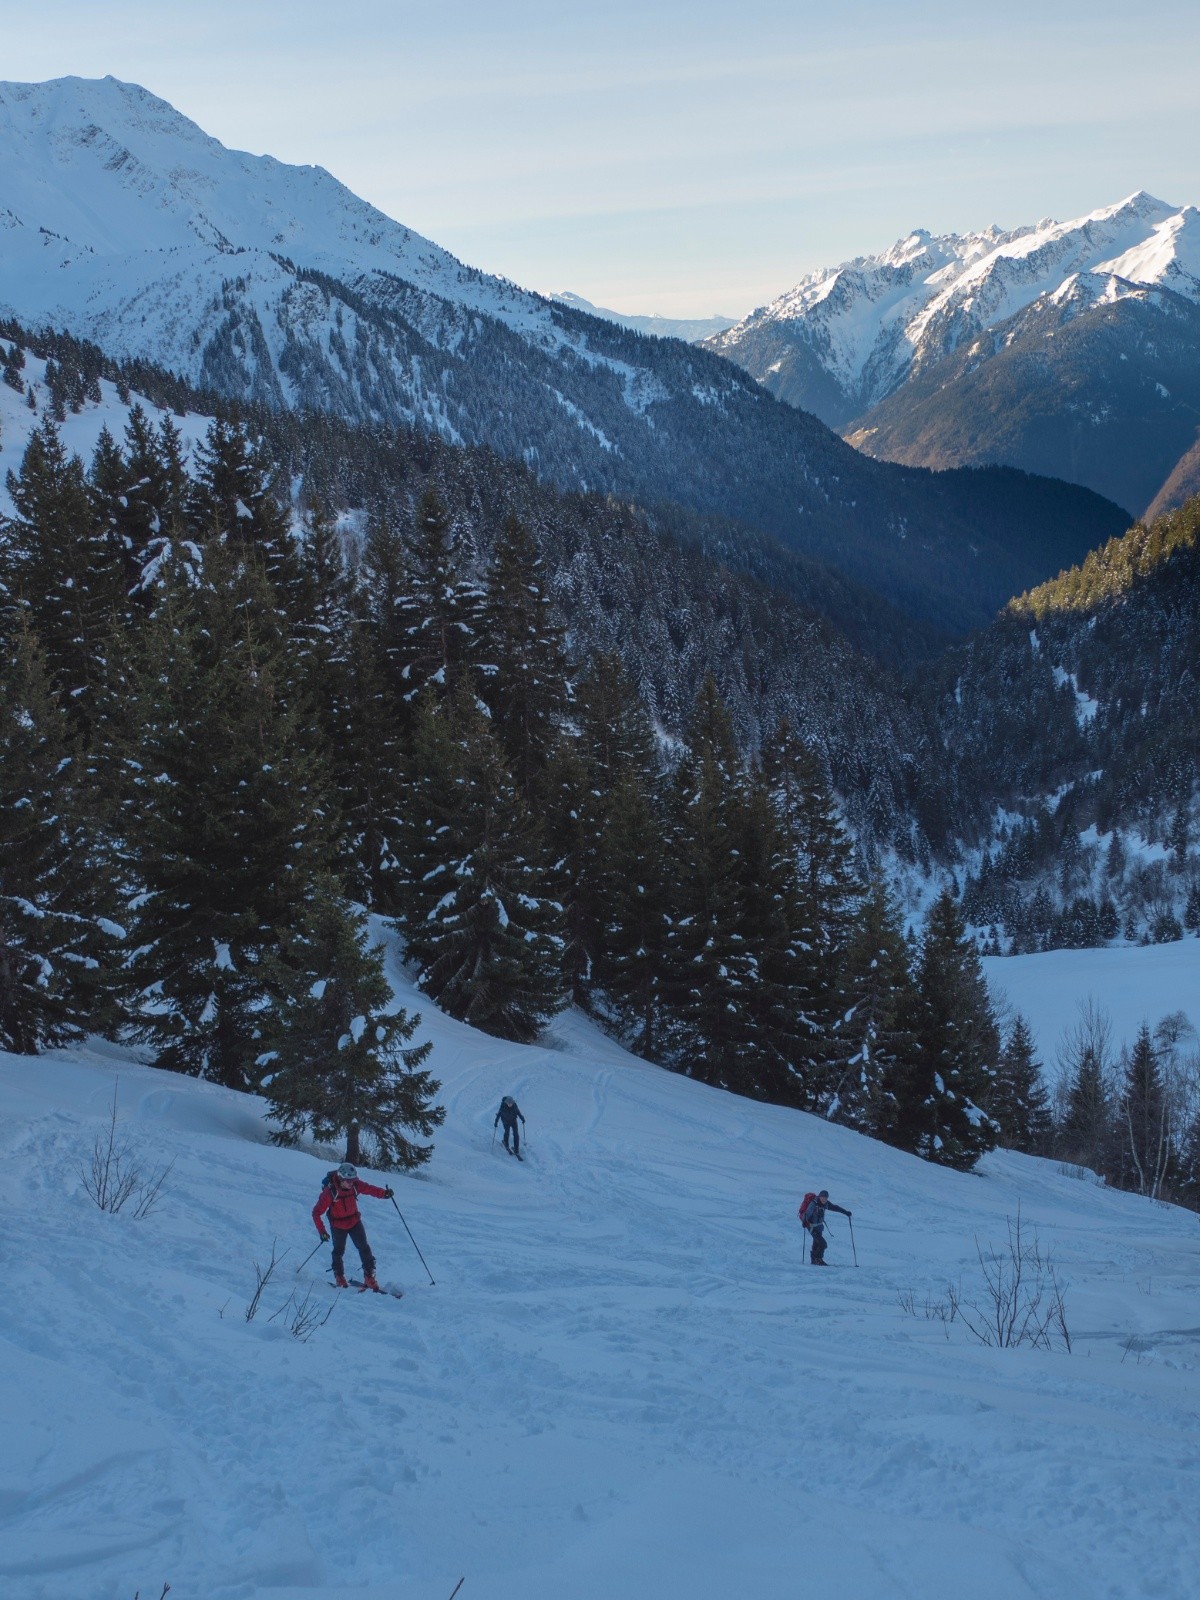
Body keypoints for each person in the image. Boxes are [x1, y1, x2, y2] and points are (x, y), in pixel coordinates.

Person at [312, 1161, 394, 1288]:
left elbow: (369, 1188)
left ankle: (369, 1277)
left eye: (353, 1180)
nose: (351, 1183)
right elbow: (316, 1213)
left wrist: (384, 1193)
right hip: (338, 1225)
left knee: (364, 1248)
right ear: (340, 1179)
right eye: (348, 1181)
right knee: (338, 1251)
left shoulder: (355, 1185)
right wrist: (322, 1231)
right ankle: (339, 1277)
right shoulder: (330, 1192)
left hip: (354, 1222)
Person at [799, 1188, 851, 1266]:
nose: (824, 1199)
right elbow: (807, 1213)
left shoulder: (826, 1203)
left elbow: (835, 1207)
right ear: (819, 1196)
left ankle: (814, 1261)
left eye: (825, 1198)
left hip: (819, 1227)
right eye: (822, 1197)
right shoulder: (813, 1204)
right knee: (823, 1244)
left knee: (817, 1243)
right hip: (811, 1226)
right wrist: (804, 1221)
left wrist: (846, 1212)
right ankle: (817, 1259)